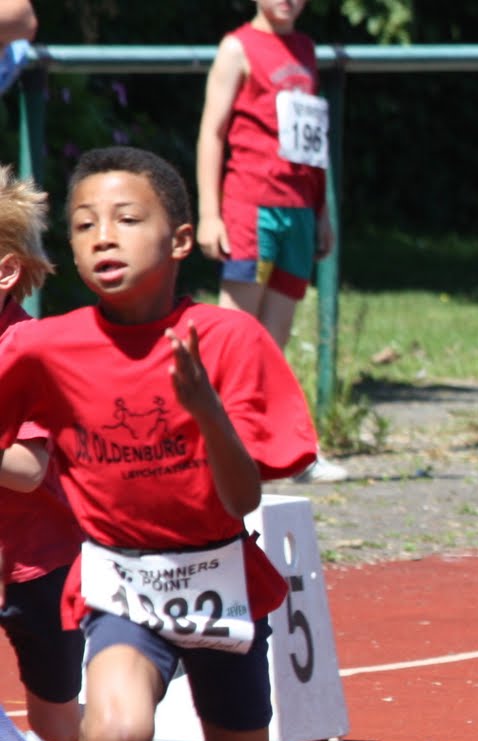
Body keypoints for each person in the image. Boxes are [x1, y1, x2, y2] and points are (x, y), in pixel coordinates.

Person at [0, 146, 320, 741]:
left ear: (179, 239)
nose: (103, 237)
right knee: (115, 730)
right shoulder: (43, 348)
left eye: (126, 219)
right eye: (85, 224)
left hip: (219, 579)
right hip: (119, 581)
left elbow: (245, 494)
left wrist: (206, 410)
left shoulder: (229, 340)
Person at [0, 167, 147, 741]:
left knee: (56, 722)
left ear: (5, 272)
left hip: (38, 561)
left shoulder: (32, 351)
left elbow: (28, 469)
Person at [196, 0, 345, 485]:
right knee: (236, 332)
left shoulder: (305, 50)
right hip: (251, 207)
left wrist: (322, 212)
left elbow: (313, 144)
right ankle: (208, 448)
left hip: (299, 211)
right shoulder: (236, 48)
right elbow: (212, 133)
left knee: (274, 340)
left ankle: (281, 451)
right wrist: (210, 213)